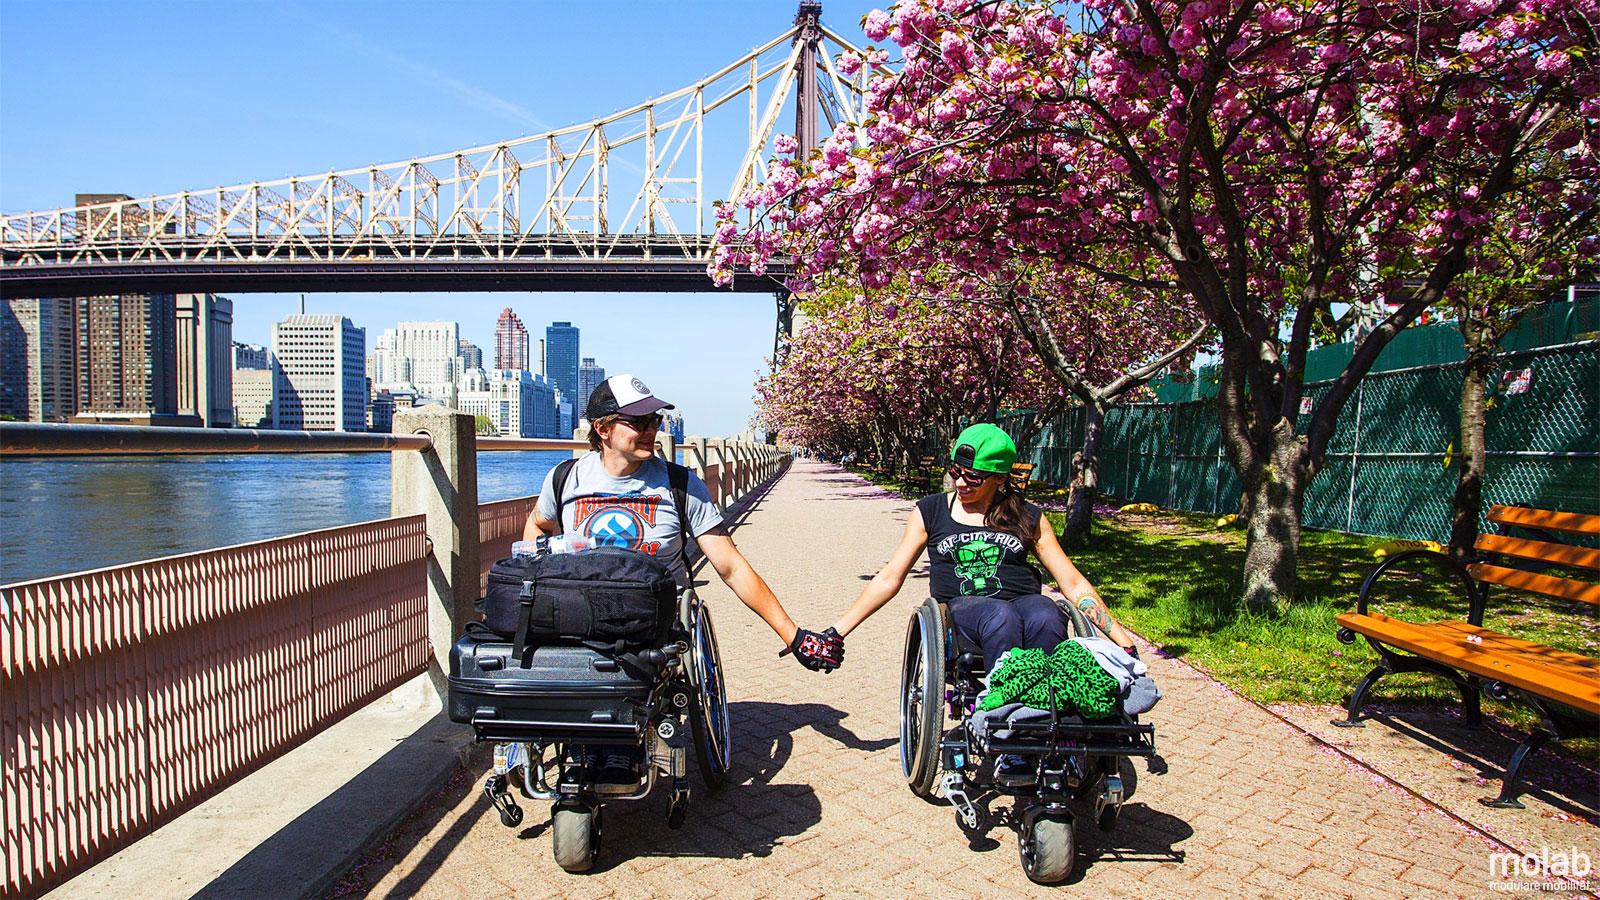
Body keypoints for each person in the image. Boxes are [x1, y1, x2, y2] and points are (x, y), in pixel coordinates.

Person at [524, 374, 842, 780]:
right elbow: (537, 527)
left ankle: (621, 742)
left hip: (653, 616)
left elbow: (729, 565)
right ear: (602, 429)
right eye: (638, 422)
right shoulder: (565, 479)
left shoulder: (678, 485)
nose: (652, 429)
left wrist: (792, 634)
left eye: (655, 420)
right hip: (581, 612)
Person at [826, 423, 1136, 783]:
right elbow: (889, 578)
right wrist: (838, 631)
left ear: (1000, 479)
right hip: (964, 613)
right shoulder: (931, 512)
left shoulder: (1029, 517)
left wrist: (1121, 638)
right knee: (999, 614)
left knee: (1047, 612)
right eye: (956, 471)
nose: (960, 483)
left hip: (1024, 604)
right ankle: (1009, 738)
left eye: (972, 478)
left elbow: (1070, 581)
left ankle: (1049, 724)